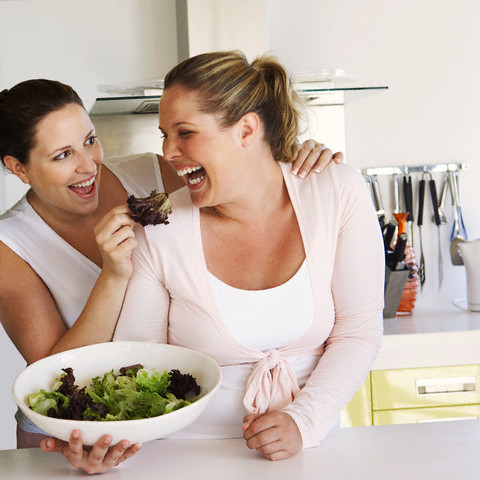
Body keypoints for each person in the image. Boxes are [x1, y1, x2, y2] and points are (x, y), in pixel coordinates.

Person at [0, 79, 341, 457]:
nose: (88, 164)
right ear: (19, 168)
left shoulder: (153, 174)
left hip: (148, 410)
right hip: (67, 430)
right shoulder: (9, 246)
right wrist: (114, 276)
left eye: (90, 140)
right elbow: (52, 375)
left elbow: (238, 180)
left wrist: (293, 160)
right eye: (62, 155)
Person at [106, 50, 383, 467]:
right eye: (164, 135)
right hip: (183, 459)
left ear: (247, 129)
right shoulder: (161, 228)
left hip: (309, 453)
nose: (169, 151)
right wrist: (109, 443)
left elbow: (358, 332)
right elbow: (139, 362)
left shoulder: (336, 192)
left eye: (184, 132)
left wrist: (302, 421)